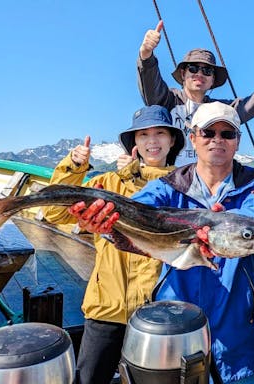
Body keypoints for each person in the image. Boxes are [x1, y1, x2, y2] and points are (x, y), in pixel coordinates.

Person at [67, 101, 254, 384]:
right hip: (173, 332)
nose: (217, 140)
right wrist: (103, 223)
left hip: (236, 335)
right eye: (208, 133)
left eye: (227, 134)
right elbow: (137, 213)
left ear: (237, 141)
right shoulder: (167, 186)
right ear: (193, 138)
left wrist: (219, 227)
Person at [42, 105, 184, 384]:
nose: (152, 141)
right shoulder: (107, 184)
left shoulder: (183, 187)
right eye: (143, 135)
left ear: (172, 140)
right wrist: (73, 167)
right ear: (134, 143)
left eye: (159, 133)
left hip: (158, 314)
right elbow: (54, 213)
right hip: (107, 307)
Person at [137, 20, 254, 165]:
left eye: (207, 71)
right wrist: (146, 54)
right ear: (183, 74)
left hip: (205, 181)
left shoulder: (219, 111)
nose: (199, 74)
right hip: (169, 179)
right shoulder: (167, 101)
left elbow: (246, 107)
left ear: (212, 81)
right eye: (193, 68)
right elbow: (151, 83)